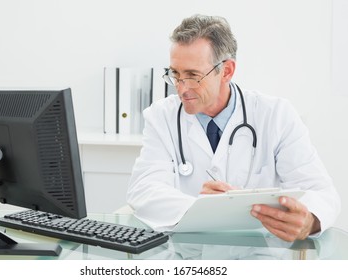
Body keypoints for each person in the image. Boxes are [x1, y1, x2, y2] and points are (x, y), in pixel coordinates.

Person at [126, 14, 341, 242]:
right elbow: (144, 190)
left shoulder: (275, 115)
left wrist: (309, 221)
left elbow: (321, 192)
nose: (181, 89)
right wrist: (206, 208)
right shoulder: (161, 116)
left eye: (192, 76)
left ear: (227, 71)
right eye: (175, 74)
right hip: (187, 256)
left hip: (261, 256)